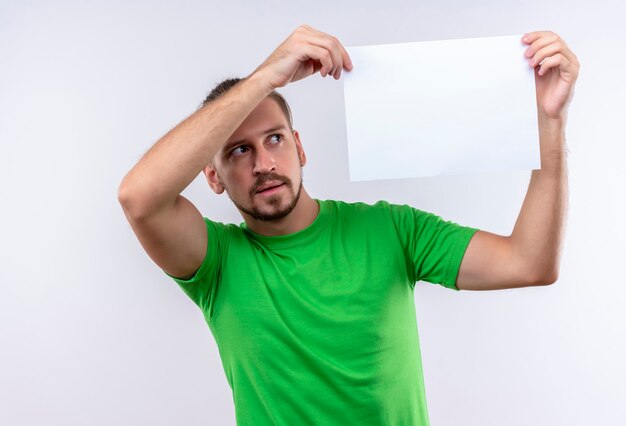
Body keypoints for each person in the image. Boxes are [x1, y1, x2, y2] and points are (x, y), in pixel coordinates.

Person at [117, 24, 579, 425]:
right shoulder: (216, 262)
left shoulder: (392, 229)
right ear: (213, 176)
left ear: (299, 149)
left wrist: (549, 123)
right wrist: (264, 78)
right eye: (239, 151)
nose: (263, 163)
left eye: (274, 140)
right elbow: (139, 197)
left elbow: (529, 262)